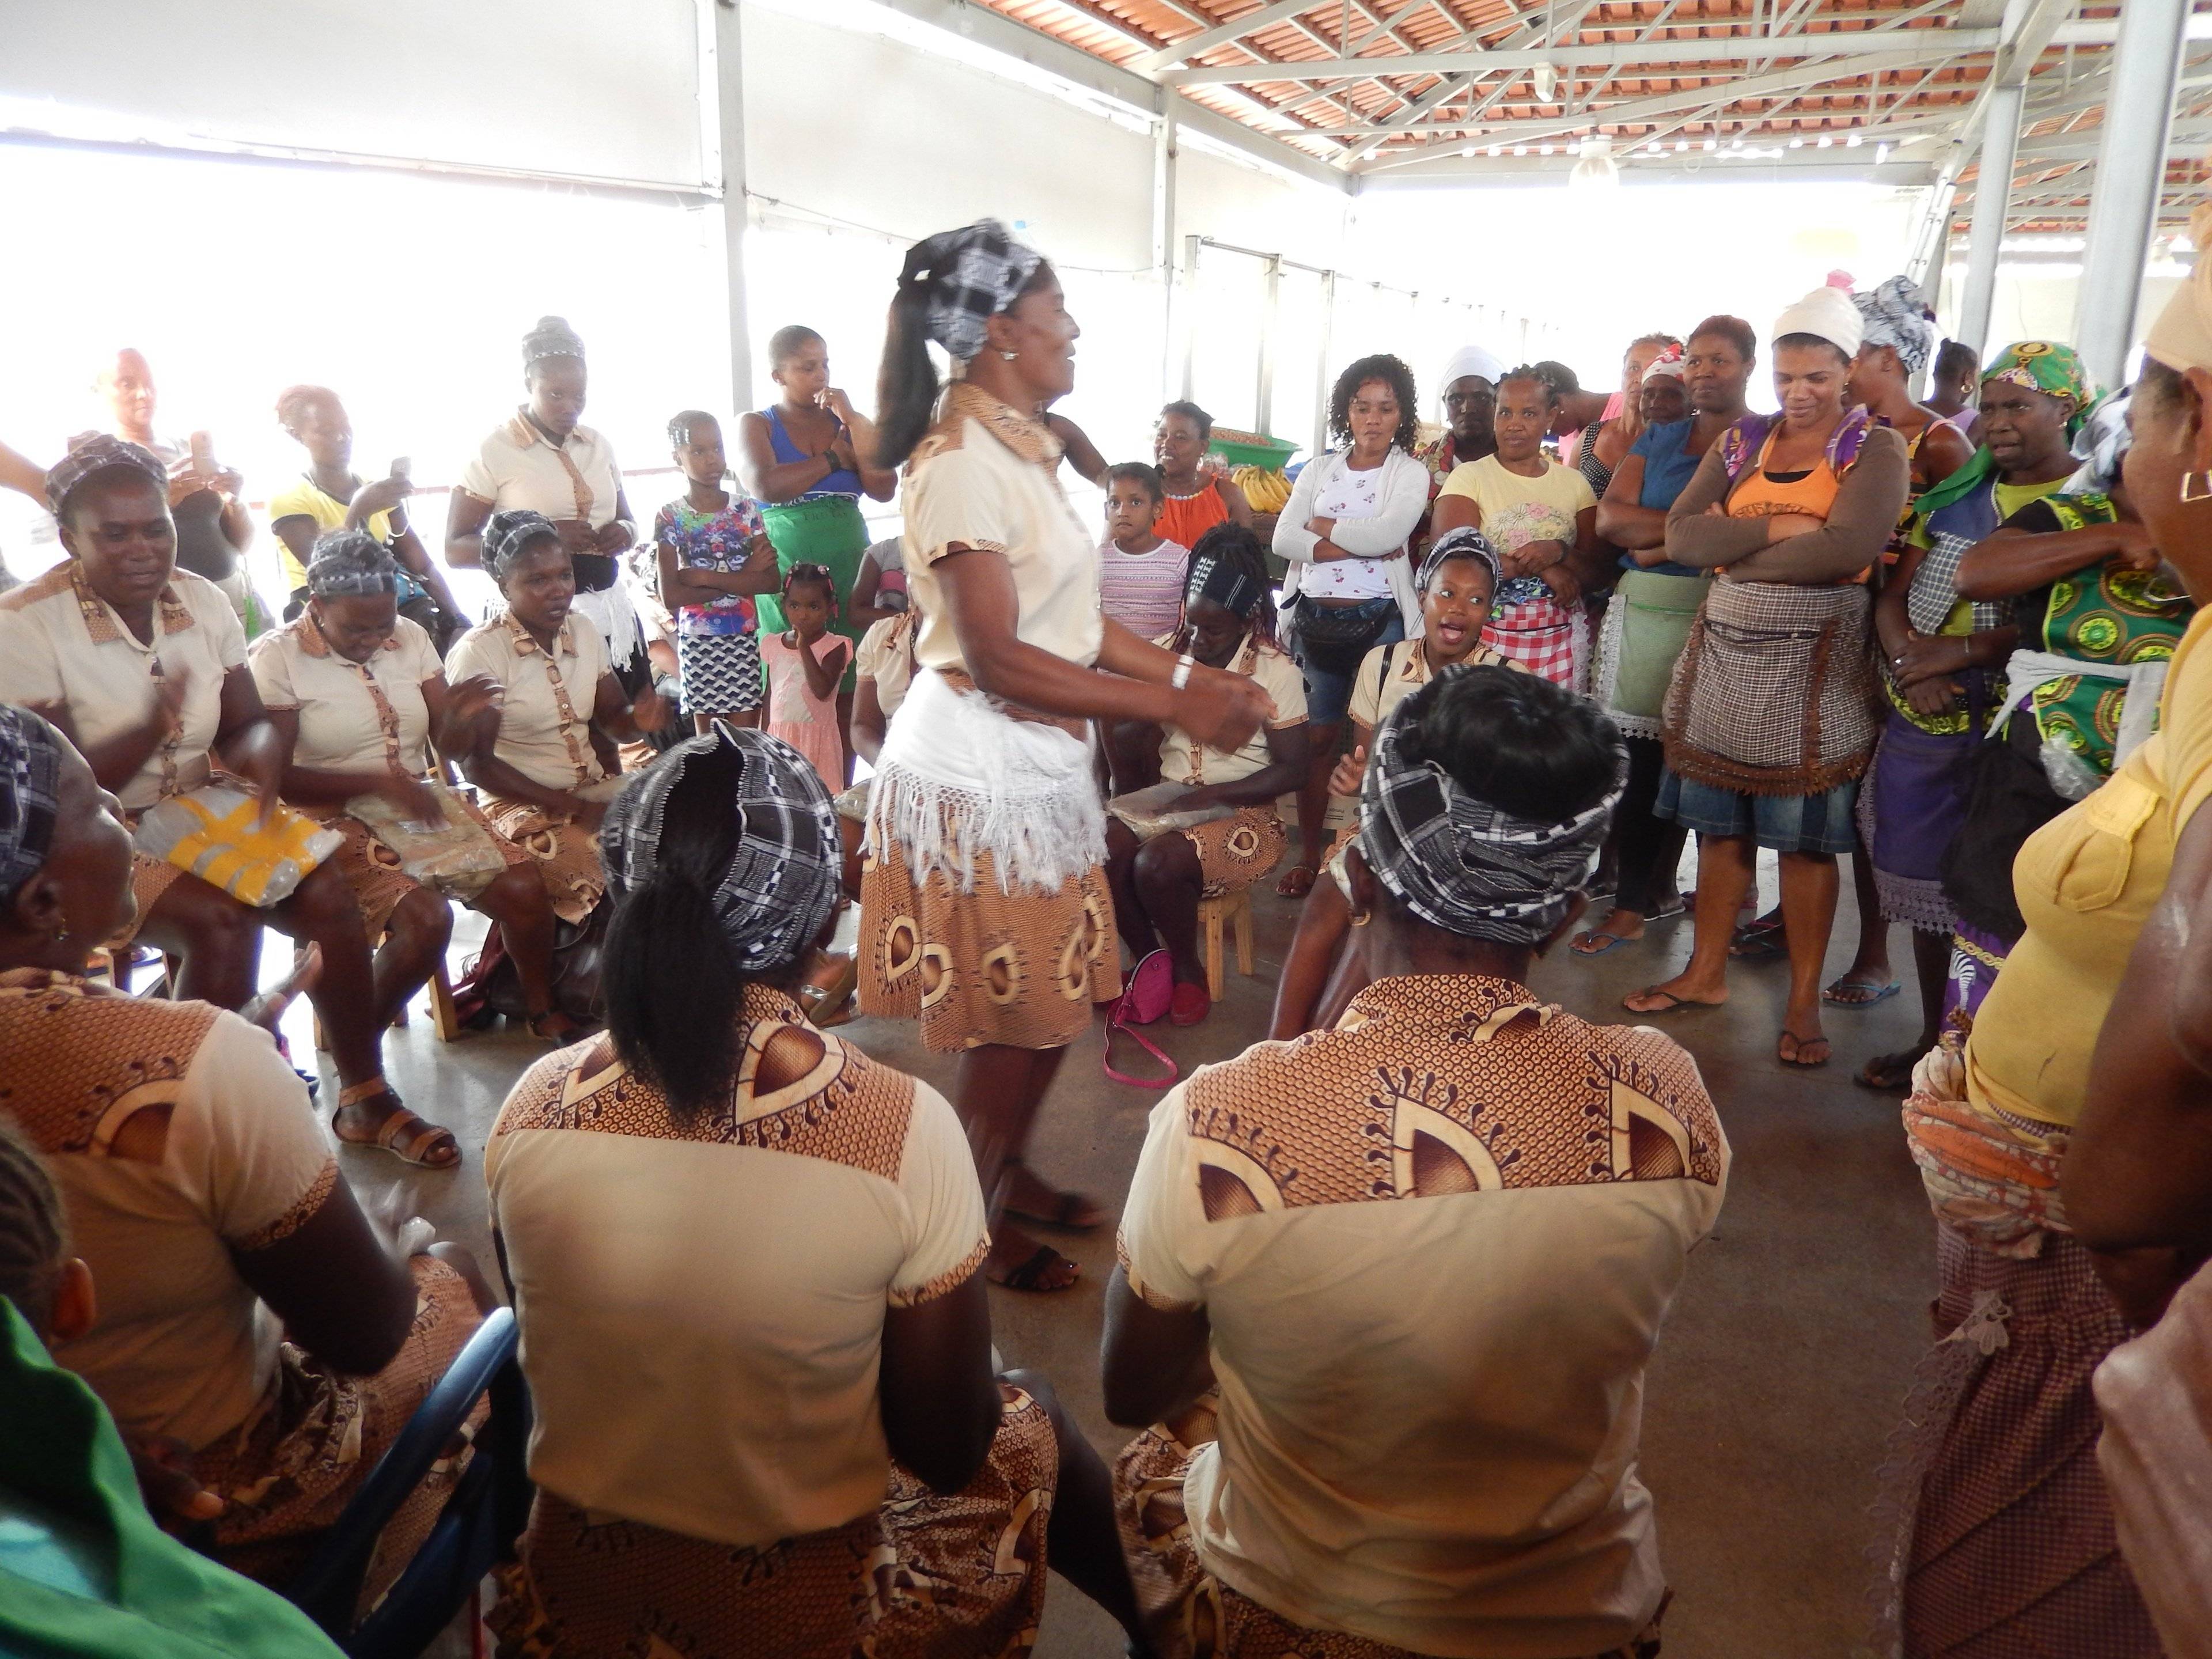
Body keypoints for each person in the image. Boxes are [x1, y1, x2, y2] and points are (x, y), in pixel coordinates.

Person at [483, 725, 1145, 1658]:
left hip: (576, 1607)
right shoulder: (897, 1127)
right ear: (814, 923)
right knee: (1028, 1411)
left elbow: (551, 1345)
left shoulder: (534, 1105)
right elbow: (947, 1449)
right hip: (812, 1621)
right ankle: (1166, 1638)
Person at [1104, 665, 1726, 1659]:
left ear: (1364, 877)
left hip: (1307, 1607)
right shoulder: (1665, 1099)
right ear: (1564, 915)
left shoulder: (1222, 1122)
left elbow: (1132, 1389)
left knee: (1142, 1453)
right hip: (1581, 1612)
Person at [1868, 263, 2212, 1656]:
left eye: (2144, 414)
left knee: (2026, 1588)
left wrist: (2120, 1264)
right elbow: (1961, 588)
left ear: (2201, 439)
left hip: (2116, 1287)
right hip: (2067, 1255)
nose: (2132, 454)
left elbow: (2189, 1011)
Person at [861, 219, 1269, 1293]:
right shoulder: (957, 462)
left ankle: (1004, 1170)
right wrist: (1172, 697)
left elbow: (1074, 620)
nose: (1073, 329)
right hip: (981, 771)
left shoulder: (1023, 447)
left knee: (1051, 1007)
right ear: (1001, 331)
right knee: (1022, 1019)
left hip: (1035, 771)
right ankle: (963, 1222)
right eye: (1056, 315)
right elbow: (998, 657)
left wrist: (1191, 682)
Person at [0, 706, 490, 1593]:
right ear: (41, 901)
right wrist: (381, 1237)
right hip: (208, 1501)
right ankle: (444, 1579)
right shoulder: (188, 1068)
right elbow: (364, 1335)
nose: (118, 802)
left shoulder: (195, 1058)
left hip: (30, 1500)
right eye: (94, 806)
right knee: (453, 1273)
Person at [0, 438, 456, 1166]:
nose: (142, 548)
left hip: (203, 800)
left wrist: (263, 771)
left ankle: (364, 1096)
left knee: (330, 898)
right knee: (224, 923)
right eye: (113, 533)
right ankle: (203, 1122)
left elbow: (245, 726)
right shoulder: (24, 622)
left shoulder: (204, 598)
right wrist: (152, 726)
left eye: (155, 526)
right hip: (100, 826)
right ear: (69, 540)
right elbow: (58, 790)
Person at [1621, 286, 1909, 1069]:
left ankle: (1804, 1004)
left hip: (1815, 672)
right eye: (1787, 376)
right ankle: (1707, 973)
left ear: (1849, 371)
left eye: (1816, 376)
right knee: (1719, 829)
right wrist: (1782, 526)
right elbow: (1681, 536)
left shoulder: (1874, 450)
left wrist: (1734, 547)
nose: (1799, 392)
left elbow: (1847, 552)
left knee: (1805, 845)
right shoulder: (1743, 442)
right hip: (1724, 660)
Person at [0, 1119, 351, 1659]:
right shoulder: (223, 1640)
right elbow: (363, 1338)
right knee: (448, 1273)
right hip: (239, 1505)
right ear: (76, 1302)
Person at [1855, 343, 2097, 1090]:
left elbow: (2064, 622)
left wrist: (1955, 654)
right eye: (1989, 406)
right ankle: (1937, 1040)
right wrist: (1909, 665)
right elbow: (1894, 598)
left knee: (2006, 891)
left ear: (2067, 409)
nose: (1997, 422)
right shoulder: (1960, 497)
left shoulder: (2094, 507)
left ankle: (2003, 1063)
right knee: (1929, 884)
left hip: (2027, 721)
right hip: (1924, 706)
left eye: (2018, 406)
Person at [250, 532, 575, 1043]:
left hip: (410, 805)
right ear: (317, 606)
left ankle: (540, 1007)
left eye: (383, 623)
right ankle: (360, 1049)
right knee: (426, 921)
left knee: (523, 886)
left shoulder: (409, 636)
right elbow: (278, 780)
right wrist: (381, 782)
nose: (375, 639)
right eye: (357, 628)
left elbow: (446, 743)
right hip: (322, 818)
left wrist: (463, 719)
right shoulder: (278, 657)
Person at [1938, 482, 2190, 1018]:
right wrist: (2114, 537)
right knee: (2003, 912)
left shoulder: (2196, 519)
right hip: (2039, 755)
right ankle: (1978, 1075)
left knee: (2143, 931)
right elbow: (1977, 574)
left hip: (2177, 761)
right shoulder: (2065, 514)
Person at [1267, 527, 1519, 1039]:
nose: (1457, 610)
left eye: (1476, 600)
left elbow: (1494, 796)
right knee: (1325, 903)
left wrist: (1397, 784)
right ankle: (1279, 1047)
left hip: (1458, 847)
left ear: (1490, 612)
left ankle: (1322, 1049)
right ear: (1422, 595)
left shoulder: (1502, 681)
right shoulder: (1382, 664)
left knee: (1378, 910)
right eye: (1446, 593)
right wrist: (1360, 777)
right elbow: (1366, 760)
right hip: (1381, 827)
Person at [1808, 279, 1979, 1012]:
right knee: (1823, 782)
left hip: (1895, 630)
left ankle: (1874, 954)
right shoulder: (1839, 433)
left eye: (1845, 357)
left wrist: (1911, 645)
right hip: (1831, 623)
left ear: (1879, 353)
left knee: (1882, 799)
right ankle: (1797, 913)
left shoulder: (1940, 442)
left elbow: (1956, 550)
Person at [1580, 320, 1758, 957]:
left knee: (1708, 764)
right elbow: (1610, 519)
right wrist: (1682, 538)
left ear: (1748, 366)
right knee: (1640, 766)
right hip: (1645, 614)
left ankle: (1713, 901)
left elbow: (1751, 533)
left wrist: (1658, 541)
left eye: (1722, 361)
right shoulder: (1662, 436)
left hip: (1723, 613)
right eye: (1698, 361)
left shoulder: (1765, 443)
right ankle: (1632, 905)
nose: (1706, 372)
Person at [1105, 527, 1306, 1025]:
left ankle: (1187, 970)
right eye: (1192, 623)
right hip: (1171, 798)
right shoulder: (1167, 654)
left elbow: (1295, 767)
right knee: (1096, 844)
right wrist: (1162, 694)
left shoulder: (1274, 670)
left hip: (1246, 814)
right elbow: (1124, 737)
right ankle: (1150, 959)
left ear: (1247, 619)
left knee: (1158, 863)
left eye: (1213, 630)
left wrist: (1213, 794)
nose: (1198, 639)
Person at [445, 511, 673, 929]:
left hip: (589, 792)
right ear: (504, 586)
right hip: (519, 809)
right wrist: (571, 806)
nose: (558, 591)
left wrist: (639, 720)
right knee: (613, 866)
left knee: (691, 831)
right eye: (537, 581)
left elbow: (612, 721)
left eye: (564, 575)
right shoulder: (482, 652)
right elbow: (477, 765)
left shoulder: (583, 630)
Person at [1272, 354, 1429, 900]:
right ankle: (1313, 859)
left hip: (1380, 622)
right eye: (1362, 407)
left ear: (1401, 414)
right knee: (1318, 742)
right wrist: (1351, 538)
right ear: (1347, 411)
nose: (1373, 418)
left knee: (1376, 747)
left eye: (1386, 408)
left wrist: (1319, 529)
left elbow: (1393, 531)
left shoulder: (1411, 473)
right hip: (1316, 620)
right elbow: (1281, 539)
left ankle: (1372, 866)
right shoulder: (1320, 470)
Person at [448, 317, 647, 680]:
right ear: (529, 384)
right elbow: (456, 548)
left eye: (579, 396)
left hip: (608, 613)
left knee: (622, 725)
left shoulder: (598, 445)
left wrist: (625, 531)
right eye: (555, 395)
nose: (570, 407)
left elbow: (629, 519)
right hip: (535, 621)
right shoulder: (497, 449)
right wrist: (545, 537)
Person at [736, 324, 897, 734]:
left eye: (824, 365)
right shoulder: (758, 424)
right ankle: (784, 783)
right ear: (779, 375)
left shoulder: (846, 423)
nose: (821, 375)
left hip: (849, 564)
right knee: (789, 672)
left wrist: (855, 421)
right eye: (808, 367)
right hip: (787, 566)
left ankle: (840, 785)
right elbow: (765, 485)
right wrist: (832, 460)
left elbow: (884, 488)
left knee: (849, 672)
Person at [1432, 366, 1608, 688]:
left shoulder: (1574, 483)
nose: (1514, 424)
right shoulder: (1469, 477)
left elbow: (1597, 571)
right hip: (1484, 638)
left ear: (1551, 416)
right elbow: (1455, 560)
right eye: (1505, 413)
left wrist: (1558, 551)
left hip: (1561, 643)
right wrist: (1544, 569)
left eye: (1529, 413)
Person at [267, 385, 466, 647]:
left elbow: (421, 564)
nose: (342, 437)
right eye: (326, 431)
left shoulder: (375, 489)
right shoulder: (292, 500)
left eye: (346, 426)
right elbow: (325, 571)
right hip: (334, 619)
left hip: (392, 609)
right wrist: (358, 511)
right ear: (297, 436)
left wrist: (458, 619)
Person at [94, 349, 265, 634]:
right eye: (128, 383)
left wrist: (234, 499)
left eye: (150, 383)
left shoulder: (185, 451)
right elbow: (101, 548)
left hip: (231, 594)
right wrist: (161, 498)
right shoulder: (103, 461)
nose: (144, 393)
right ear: (99, 390)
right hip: (170, 608)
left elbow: (242, 544)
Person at [652, 411, 779, 734]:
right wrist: (743, 577)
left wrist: (708, 577)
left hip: (743, 638)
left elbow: (770, 580)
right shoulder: (671, 517)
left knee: (746, 746)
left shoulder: (747, 509)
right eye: (698, 451)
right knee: (708, 750)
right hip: (698, 643)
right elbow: (673, 596)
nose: (712, 460)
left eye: (718, 448)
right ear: (676, 458)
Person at [762, 563, 852, 791]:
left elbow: (822, 691)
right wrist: (763, 740)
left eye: (813, 607)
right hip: (780, 740)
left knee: (820, 799)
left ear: (829, 608)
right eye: (795, 605)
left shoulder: (835, 647)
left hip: (817, 744)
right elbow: (770, 696)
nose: (803, 615)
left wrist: (803, 647)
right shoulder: (773, 644)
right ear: (784, 605)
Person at [1411, 344, 1504, 549]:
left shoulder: (1524, 464)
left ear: (1498, 401)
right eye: (1456, 399)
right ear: (1445, 403)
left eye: (1480, 397)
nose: (1467, 408)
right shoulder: (1417, 467)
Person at [1573, 332, 1683, 498]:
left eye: (1652, 368)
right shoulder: (1591, 435)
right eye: (1634, 368)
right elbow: (1564, 499)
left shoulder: (1676, 443)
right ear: (1622, 375)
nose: (1639, 378)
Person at [1097, 461, 1190, 641]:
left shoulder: (1179, 560)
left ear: (1157, 509)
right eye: (1115, 503)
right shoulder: (1099, 558)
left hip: (1160, 665)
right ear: (1106, 510)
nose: (1123, 512)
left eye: (1136, 502)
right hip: (1108, 666)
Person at [1152, 400, 1253, 550]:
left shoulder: (1227, 494)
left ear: (1203, 447)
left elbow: (1247, 560)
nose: (1167, 443)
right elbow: (1108, 561)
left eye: (1181, 437)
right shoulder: (1134, 492)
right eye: (1162, 435)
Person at [847, 533, 909, 631]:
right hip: (887, 641)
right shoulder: (882, 552)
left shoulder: (940, 554)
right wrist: (912, 620)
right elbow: (857, 615)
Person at [1926, 338, 1982, 429]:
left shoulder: (1911, 412)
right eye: (1976, 376)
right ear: (1967, 377)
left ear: (1935, 374)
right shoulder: (1975, 421)